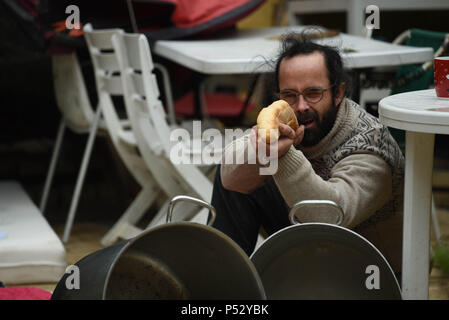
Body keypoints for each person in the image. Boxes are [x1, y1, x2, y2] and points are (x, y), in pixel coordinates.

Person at [211, 33, 405, 275]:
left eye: (313, 93)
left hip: (370, 273)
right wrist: (259, 150)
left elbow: (331, 218)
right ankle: (221, 287)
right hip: (315, 252)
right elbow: (230, 180)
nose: (301, 107)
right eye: (290, 95)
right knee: (241, 167)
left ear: (338, 93)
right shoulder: (288, 126)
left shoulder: (370, 141)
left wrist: (282, 156)